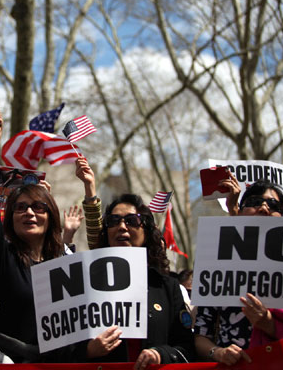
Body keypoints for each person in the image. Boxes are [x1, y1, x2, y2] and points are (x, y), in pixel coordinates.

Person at [74, 158, 194, 369]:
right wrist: (87, 351)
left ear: (146, 231)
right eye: (113, 221)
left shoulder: (167, 288)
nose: (122, 227)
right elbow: (58, 350)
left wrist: (161, 354)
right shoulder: (84, 285)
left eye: (131, 221)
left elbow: (187, 348)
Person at [0, 101, 65, 362]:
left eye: (39, 207)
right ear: (10, 218)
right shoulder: (3, 258)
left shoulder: (63, 264)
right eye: (21, 208)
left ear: (51, 216)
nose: (29, 212)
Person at [194, 178, 283, 366]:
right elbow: (200, 336)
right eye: (254, 202)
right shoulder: (217, 266)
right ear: (242, 210)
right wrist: (218, 352)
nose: (263, 208)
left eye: (273, 205)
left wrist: (270, 324)